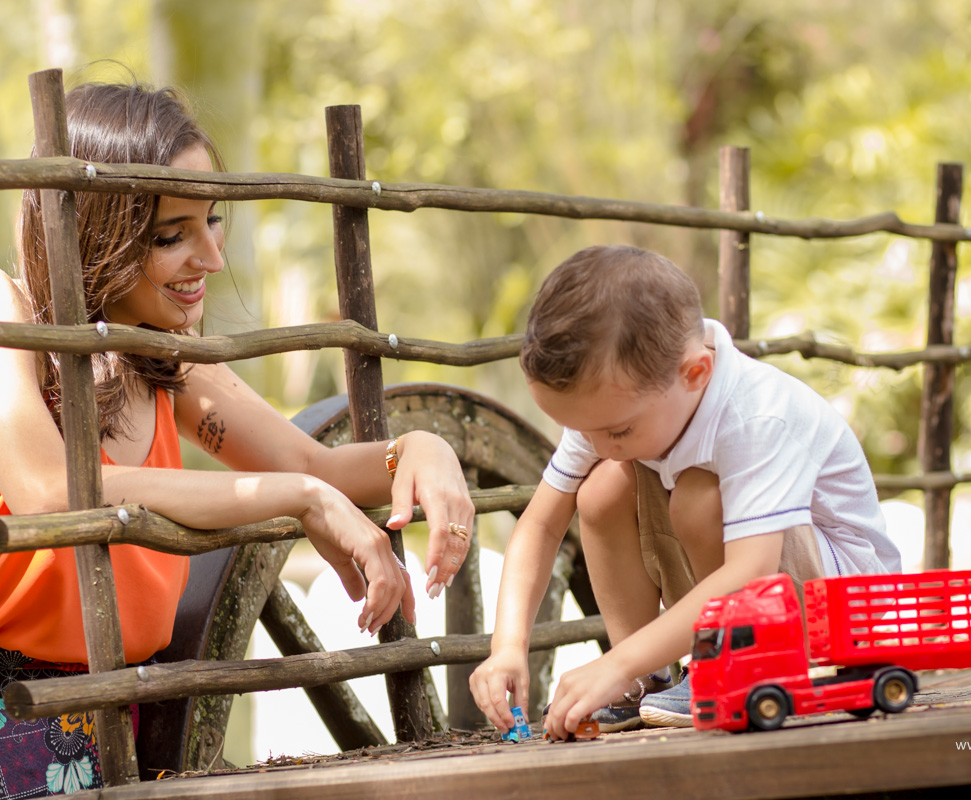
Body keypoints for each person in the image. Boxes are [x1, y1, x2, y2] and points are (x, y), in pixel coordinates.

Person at [0, 81, 474, 797]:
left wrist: (417, 452)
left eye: (211, 222)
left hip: (115, 726)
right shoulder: (12, 326)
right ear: (95, 234)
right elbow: (46, 495)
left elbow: (313, 462)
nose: (211, 259)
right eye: (171, 236)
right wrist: (300, 498)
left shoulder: (161, 358)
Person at [469, 245, 901, 740]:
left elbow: (749, 573)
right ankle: (643, 682)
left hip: (841, 614)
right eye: (583, 431)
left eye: (617, 431)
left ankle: (728, 663)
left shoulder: (756, 415)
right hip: (750, 597)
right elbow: (542, 523)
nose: (596, 444)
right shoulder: (613, 410)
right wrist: (507, 645)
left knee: (697, 493)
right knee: (602, 489)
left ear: (696, 373)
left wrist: (608, 663)